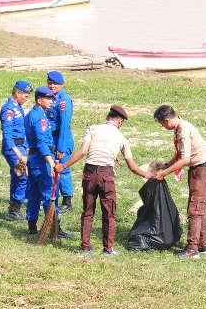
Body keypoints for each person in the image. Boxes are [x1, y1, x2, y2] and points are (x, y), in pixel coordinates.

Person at [55, 105, 151, 256]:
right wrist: (145, 174)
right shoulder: (122, 138)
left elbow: (82, 152)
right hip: (106, 176)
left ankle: (85, 247)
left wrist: (63, 166)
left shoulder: (93, 129)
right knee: (109, 214)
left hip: (89, 173)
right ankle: (108, 249)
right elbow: (132, 166)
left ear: (107, 118)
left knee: (87, 212)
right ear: (120, 122)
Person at [153, 105, 206, 259]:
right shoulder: (181, 127)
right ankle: (202, 245)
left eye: (162, 124)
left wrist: (163, 173)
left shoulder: (183, 131)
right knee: (200, 208)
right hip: (199, 170)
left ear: (167, 120)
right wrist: (166, 165)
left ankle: (192, 249)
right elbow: (180, 155)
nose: (163, 127)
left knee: (194, 209)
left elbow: (185, 159)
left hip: (201, 170)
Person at [25, 86, 73, 238]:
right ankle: (54, 227)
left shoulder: (29, 114)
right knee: (48, 195)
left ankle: (31, 225)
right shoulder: (41, 118)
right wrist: (52, 163)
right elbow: (42, 143)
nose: (52, 101)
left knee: (33, 194)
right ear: (39, 100)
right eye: (48, 99)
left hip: (32, 160)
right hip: (42, 161)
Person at [0, 80, 33, 221]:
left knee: (17, 176)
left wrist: (26, 148)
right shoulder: (8, 110)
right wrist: (19, 155)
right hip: (13, 149)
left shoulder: (18, 107)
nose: (27, 99)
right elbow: (7, 136)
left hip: (21, 146)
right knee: (23, 177)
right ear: (18, 93)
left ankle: (13, 209)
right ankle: (15, 209)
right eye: (25, 96)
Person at [46, 70, 75, 214]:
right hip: (51, 138)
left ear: (61, 84)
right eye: (49, 83)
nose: (52, 86)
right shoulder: (49, 98)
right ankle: (52, 197)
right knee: (51, 170)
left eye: (55, 84)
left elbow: (64, 126)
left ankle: (67, 201)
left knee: (63, 170)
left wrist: (61, 148)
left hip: (61, 139)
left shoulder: (64, 101)